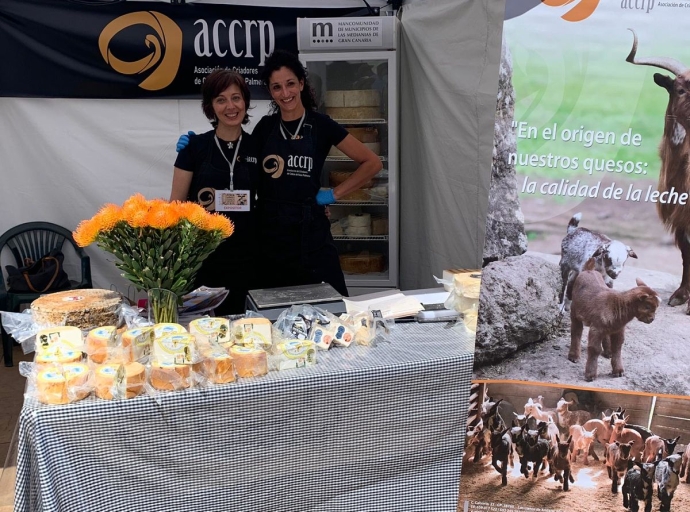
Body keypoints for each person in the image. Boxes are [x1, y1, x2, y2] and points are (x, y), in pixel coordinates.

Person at [251, 49, 382, 296]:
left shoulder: (321, 125)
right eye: (277, 87)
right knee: (273, 312)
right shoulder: (265, 127)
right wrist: (199, 144)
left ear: (301, 83)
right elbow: (241, 163)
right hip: (270, 235)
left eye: (290, 84)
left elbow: (372, 163)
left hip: (310, 233)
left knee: (332, 309)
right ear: (270, 91)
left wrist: (333, 194)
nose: (285, 93)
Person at [170, 70, 259, 314]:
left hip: (249, 260)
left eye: (236, 98)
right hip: (203, 260)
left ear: (245, 102)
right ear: (210, 106)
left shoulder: (258, 147)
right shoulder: (194, 148)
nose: (230, 106)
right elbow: (175, 208)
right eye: (221, 99)